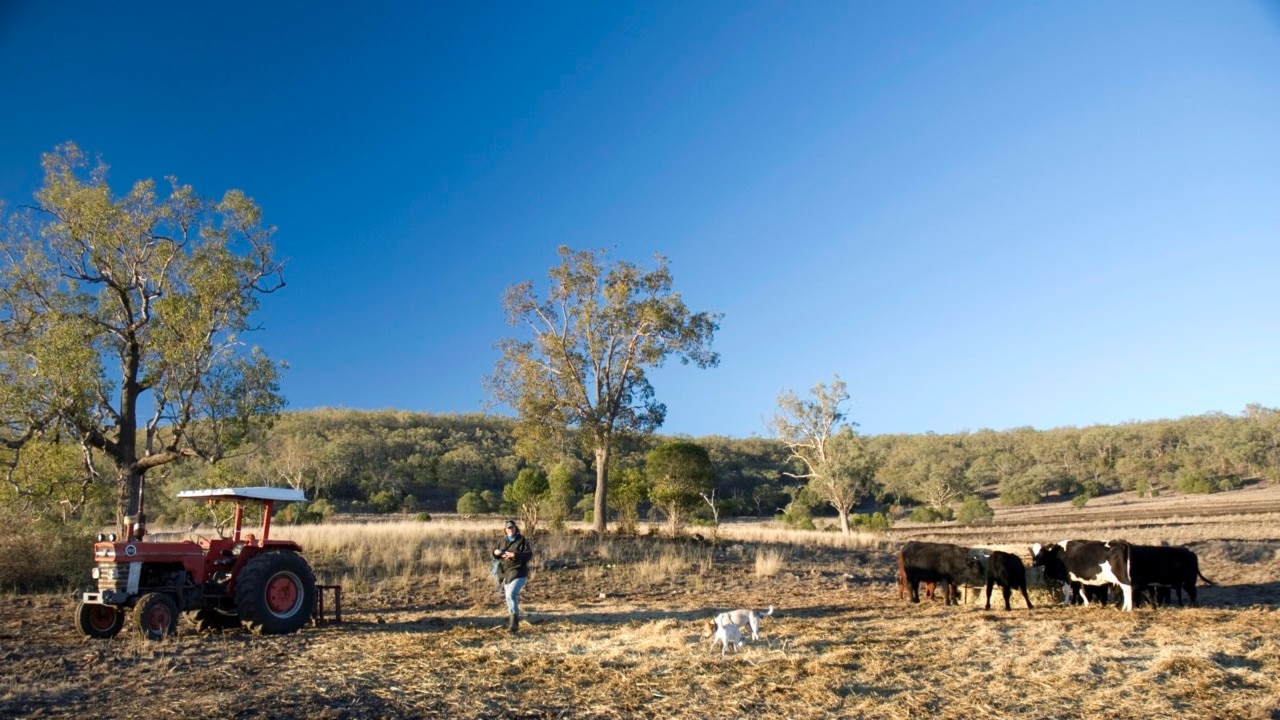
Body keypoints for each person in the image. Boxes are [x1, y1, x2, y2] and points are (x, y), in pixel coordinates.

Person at [492, 518, 533, 633]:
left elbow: (528, 555)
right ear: (505, 530)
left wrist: (513, 555)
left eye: (512, 527)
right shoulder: (502, 541)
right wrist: (495, 553)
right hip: (505, 572)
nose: (510, 530)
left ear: (515, 528)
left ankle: (514, 624)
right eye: (508, 528)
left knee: (511, 594)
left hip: (519, 571)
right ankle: (513, 617)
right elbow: (495, 553)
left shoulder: (522, 540)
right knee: (508, 597)